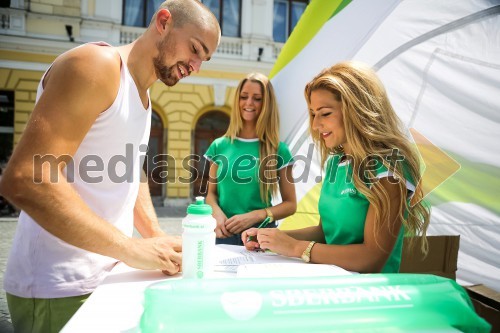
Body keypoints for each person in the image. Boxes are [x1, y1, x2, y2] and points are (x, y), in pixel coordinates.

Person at [0, 1, 220, 331]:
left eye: (204, 58)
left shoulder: (143, 97)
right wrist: (131, 248)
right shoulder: (98, 65)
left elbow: (130, 171)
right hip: (58, 286)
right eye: (194, 49)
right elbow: (27, 178)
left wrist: (155, 236)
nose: (196, 66)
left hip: (104, 278)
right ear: (163, 21)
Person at [243, 61, 430, 273]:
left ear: (355, 110)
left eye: (324, 113)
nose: (315, 125)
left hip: (369, 295)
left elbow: (372, 257)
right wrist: (269, 239)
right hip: (331, 283)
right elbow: (325, 233)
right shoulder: (335, 163)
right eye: (313, 114)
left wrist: (295, 247)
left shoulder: (390, 169)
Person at [205, 73, 297, 245]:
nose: (248, 103)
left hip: (260, 237)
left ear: (266, 103)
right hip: (222, 234)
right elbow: (210, 194)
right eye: (244, 97)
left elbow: (290, 205)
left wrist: (255, 215)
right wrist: (216, 213)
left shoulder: (278, 150)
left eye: (257, 98)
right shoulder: (219, 146)